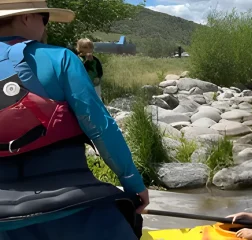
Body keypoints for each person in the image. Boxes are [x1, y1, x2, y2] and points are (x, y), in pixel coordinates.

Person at [0, 1, 149, 239]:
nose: (45, 26)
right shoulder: (60, 58)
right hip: (70, 199)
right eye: (44, 19)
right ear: (26, 18)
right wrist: (132, 181)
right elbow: (100, 127)